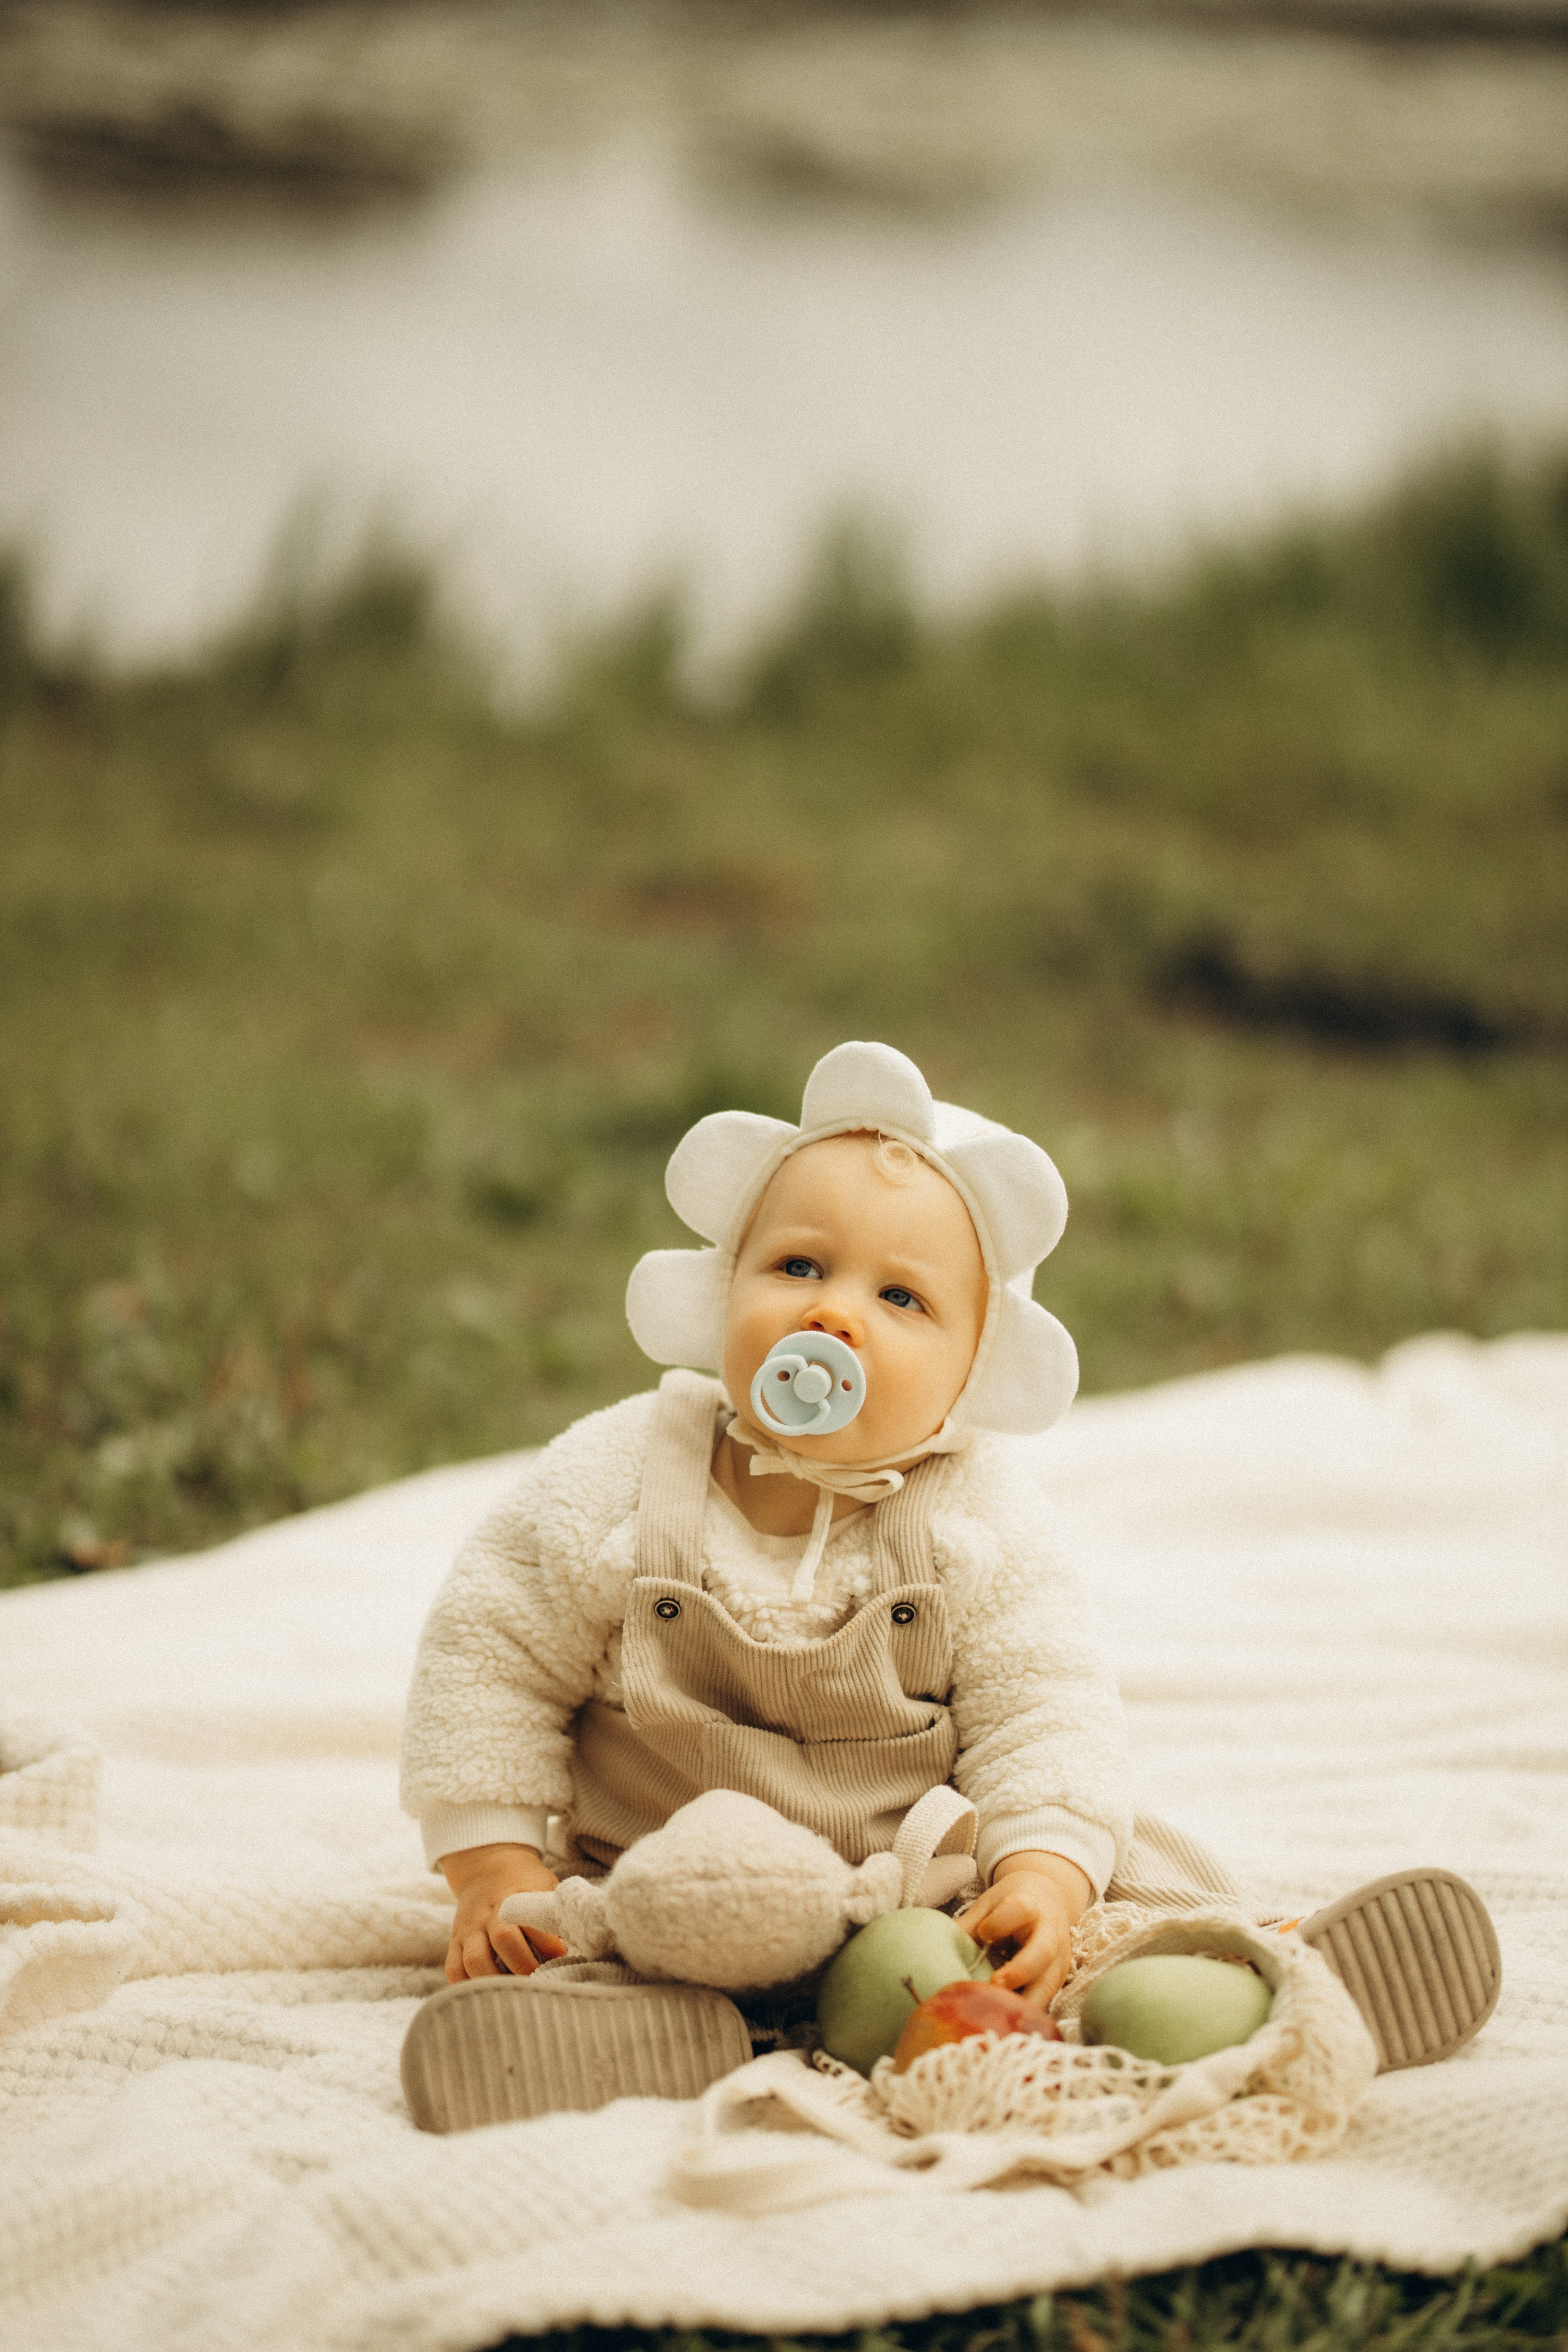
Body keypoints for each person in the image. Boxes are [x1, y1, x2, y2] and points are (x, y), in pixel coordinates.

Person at [399, 1042, 1499, 2116]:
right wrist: (494, 1868)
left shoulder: (979, 1518)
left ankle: (1255, 1981)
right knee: (618, 1931)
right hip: (678, 1880)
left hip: (924, 1892)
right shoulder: (619, 1474)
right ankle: (613, 2030)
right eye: (797, 1266)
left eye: (902, 1299)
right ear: (726, 1280)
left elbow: (1047, 1704)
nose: (834, 1314)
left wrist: (1043, 1874)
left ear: (972, 1371)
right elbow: (490, 1651)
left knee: (1116, 1867)